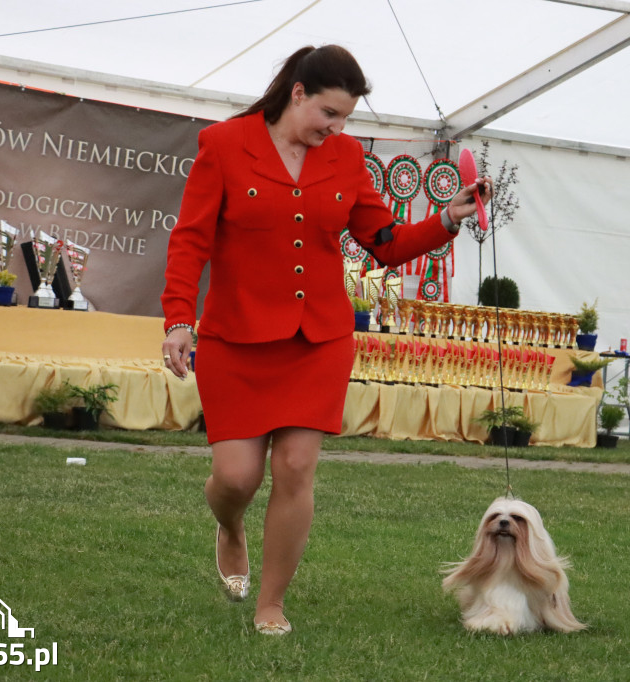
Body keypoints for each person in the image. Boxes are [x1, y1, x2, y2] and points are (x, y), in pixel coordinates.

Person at [161, 44, 492, 636]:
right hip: (235, 339)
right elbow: (190, 240)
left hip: (319, 340)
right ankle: (230, 526)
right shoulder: (223, 145)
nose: (337, 129)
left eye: (345, 119)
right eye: (330, 114)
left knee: (296, 467)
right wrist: (179, 318)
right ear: (298, 94)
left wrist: (447, 218)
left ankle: (271, 605)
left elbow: (385, 242)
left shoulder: (345, 160)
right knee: (237, 478)